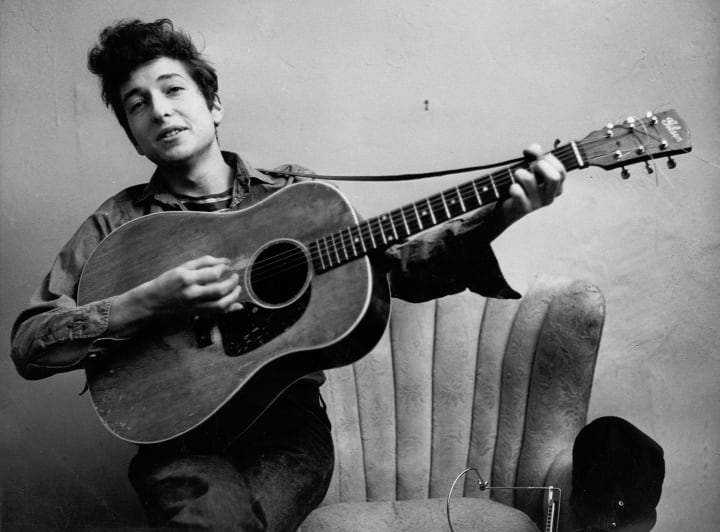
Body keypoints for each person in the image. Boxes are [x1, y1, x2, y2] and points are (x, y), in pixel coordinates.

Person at [9, 18, 566, 531]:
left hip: (286, 433)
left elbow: (399, 269)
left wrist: (500, 216)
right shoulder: (117, 224)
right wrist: (151, 300)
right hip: (178, 442)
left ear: (214, 104)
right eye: (138, 104)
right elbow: (30, 344)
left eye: (173, 89)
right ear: (133, 135)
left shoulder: (296, 197)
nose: (159, 110)